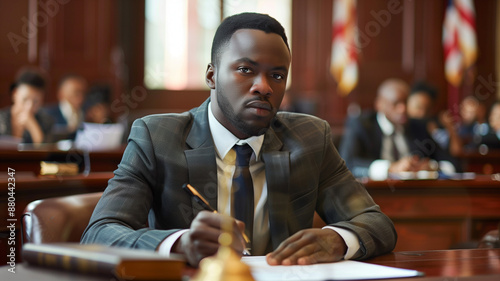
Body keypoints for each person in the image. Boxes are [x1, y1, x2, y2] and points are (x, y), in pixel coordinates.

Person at [81, 12, 396, 267]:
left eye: (277, 75)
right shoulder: (157, 137)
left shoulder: (310, 138)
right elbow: (100, 232)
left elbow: (375, 223)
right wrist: (179, 243)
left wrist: (337, 239)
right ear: (211, 76)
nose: (264, 87)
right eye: (246, 70)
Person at [339, 79, 460, 180]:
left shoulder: (419, 126)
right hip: (374, 196)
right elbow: (348, 165)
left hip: (415, 195)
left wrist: (432, 166)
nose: (402, 109)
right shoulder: (361, 125)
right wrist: (391, 168)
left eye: (405, 102)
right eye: (396, 103)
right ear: (379, 105)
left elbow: (451, 163)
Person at [407, 82, 462, 156]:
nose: (422, 113)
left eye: (427, 109)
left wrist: (450, 127)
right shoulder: (402, 128)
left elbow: (456, 152)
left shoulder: (432, 127)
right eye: (418, 107)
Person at [0, 69, 54, 144]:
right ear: (15, 94)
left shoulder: (46, 121)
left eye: (35, 101)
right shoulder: (1, 118)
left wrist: (33, 126)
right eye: (25, 99)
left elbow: (47, 151)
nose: (29, 107)